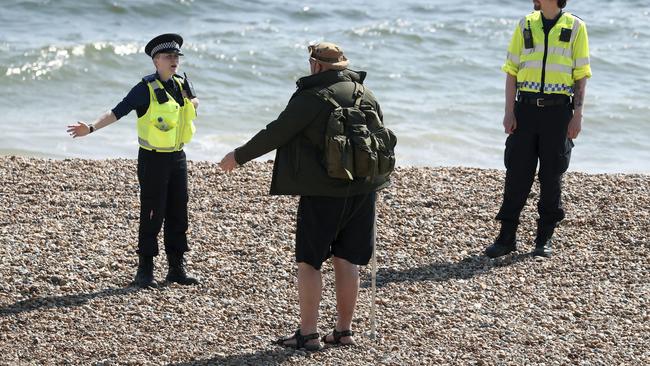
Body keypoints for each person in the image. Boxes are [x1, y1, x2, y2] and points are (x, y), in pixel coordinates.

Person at [219, 42, 393, 350]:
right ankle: (343, 331)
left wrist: (239, 156)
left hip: (323, 193)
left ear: (316, 65)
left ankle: (309, 333)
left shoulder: (312, 96)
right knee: (348, 258)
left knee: (309, 262)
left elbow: (277, 132)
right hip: (364, 190)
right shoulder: (364, 93)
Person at [67, 33, 200, 287]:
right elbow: (118, 110)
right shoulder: (145, 89)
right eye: (167, 56)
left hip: (178, 157)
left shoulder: (183, 83)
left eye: (176, 56)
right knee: (152, 212)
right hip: (152, 160)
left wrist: (193, 101)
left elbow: (192, 104)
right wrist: (91, 127)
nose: (174, 60)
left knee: (178, 211)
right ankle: (145, 270)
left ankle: (176, 268)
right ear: (155, 61)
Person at [485, 0, 591, 258]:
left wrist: (578, 115)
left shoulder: (576, 27)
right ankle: (506, 238)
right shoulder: (525, 25)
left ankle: (544, 239)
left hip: (558, 113)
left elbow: (581, 74)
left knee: (551, 175)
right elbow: (511, 72)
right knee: (517, 174)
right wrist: (509, 111)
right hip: (525, 111)